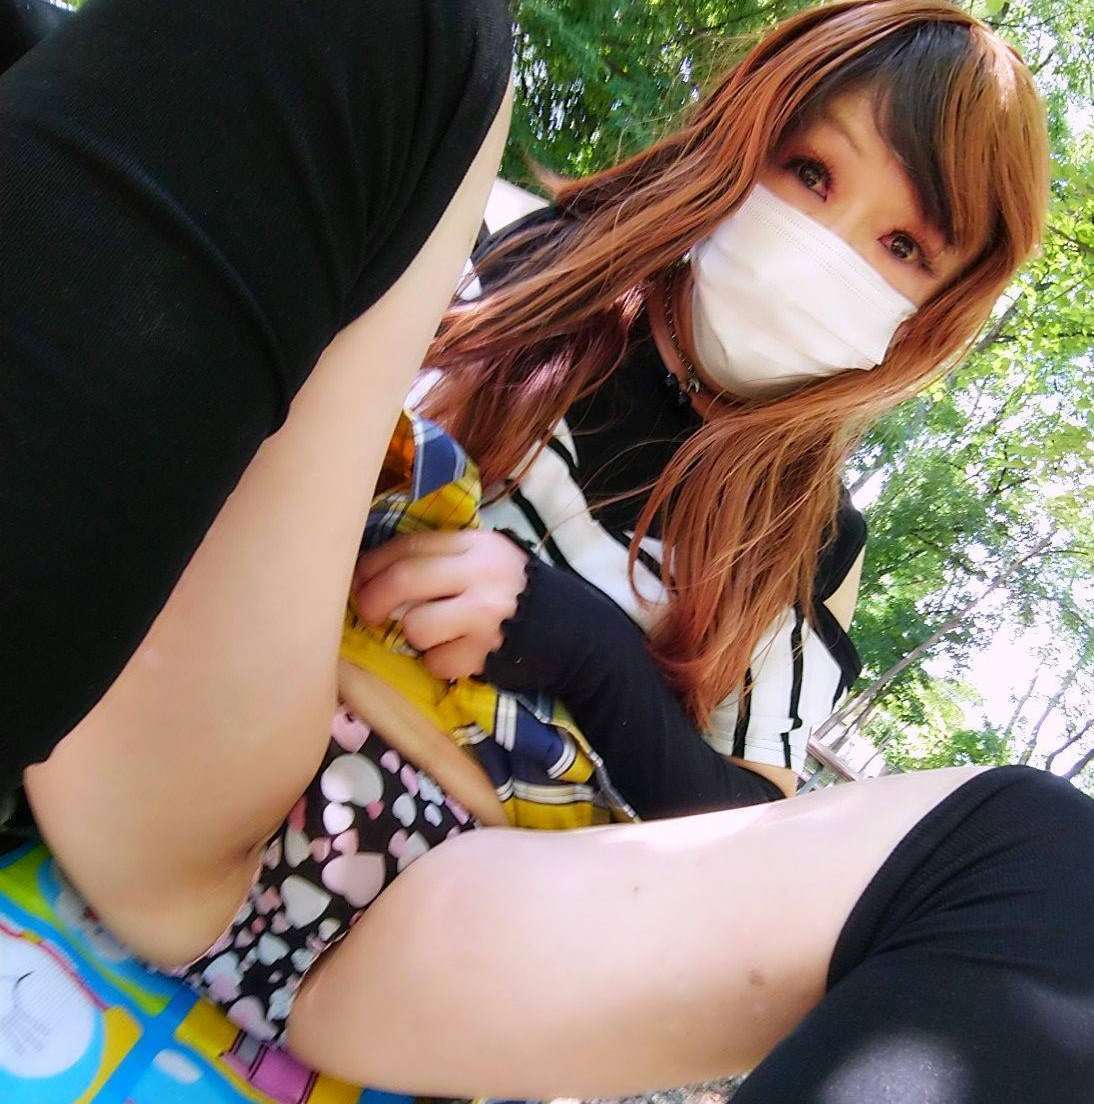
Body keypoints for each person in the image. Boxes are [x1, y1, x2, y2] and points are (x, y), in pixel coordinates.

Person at [6, 2, 1092, 1102]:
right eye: (810, 172)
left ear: (933, 310)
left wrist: (575, 641)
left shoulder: (810, 541)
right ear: (740, 134)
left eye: (902, 247)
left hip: (443, 949)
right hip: (207, 782)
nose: (827, 246)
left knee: (1053, 861)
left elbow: (743, 827)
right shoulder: (497, 251)